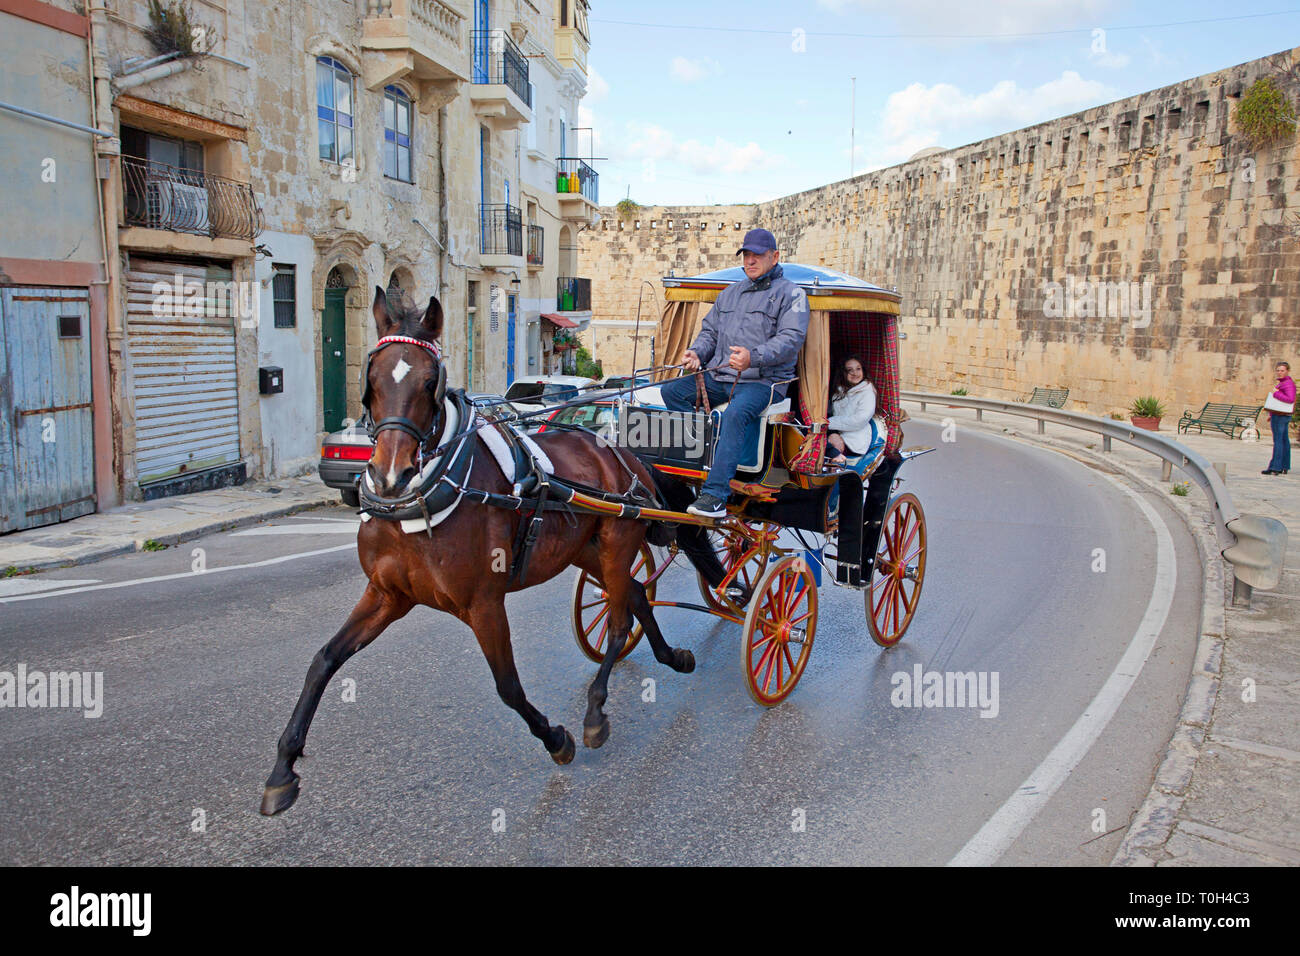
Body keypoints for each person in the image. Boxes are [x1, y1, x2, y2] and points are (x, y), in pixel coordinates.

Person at [660, 228, 810, 516]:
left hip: (765, 382)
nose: (750, 261)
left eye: (758, 256)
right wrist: (696, 353)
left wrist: (753, 357)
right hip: (721, 377)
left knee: (735, 414)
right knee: (672, 391)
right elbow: (710, 333)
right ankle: (701, 457)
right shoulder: (730, 293)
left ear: (775, 256)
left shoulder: (792, 294)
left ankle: (715, 495)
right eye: (747, 255)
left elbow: (791, 340)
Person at [825, 355, 884, 467]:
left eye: (858, 369)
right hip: (837, 434)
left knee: (824, 452)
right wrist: (832, 432)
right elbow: (830, 411)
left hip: (854, 441)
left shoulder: (867, 391)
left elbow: (859, 420)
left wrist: (828, 423)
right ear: (843, 373)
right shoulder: (839, 390)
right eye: (850, 370)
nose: (855, 373)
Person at [1262, 360, 1295, 475]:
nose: (1279, 373)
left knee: (1278, 441)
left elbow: (1290, 399)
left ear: (1287, 371)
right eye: (1278, 370)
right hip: (1279, 415)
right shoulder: (1283, 383)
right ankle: (1284, 465)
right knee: (1284, 440)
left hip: (1281, 416)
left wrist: (1276, 393)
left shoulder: (1288, 384)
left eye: (1282, 370)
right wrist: (1271, 414)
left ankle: (1276, 467)